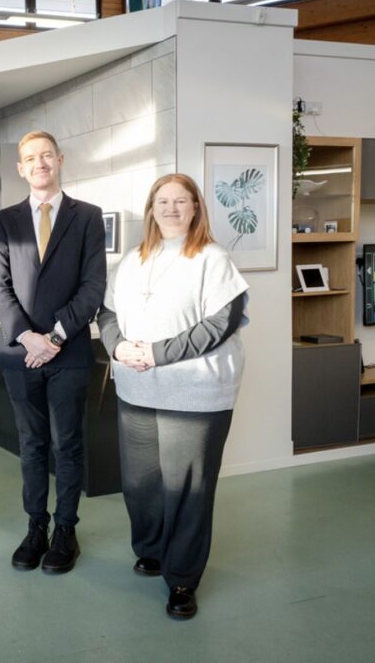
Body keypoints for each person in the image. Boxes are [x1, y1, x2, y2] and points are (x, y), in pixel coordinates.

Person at [97, 173, 248, 619]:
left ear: (196, 208)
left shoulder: (212, 258)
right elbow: (107, 312)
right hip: (137, 388)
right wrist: (117, 346)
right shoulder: (132, 260)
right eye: (162, 201)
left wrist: (158, 353)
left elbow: (221, 322)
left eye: (181, 201)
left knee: (187, 489)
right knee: (141, 483)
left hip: (195, 394)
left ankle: (182, 578)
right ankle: (151, 549)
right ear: (151, 209)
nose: (171, 209)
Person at [0, 130, 106, 574]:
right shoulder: (5, 221)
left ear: (60, 160)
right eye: (29, 158)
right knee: (32, 444)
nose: (39, 163)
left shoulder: (88, 217)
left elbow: (94, 285)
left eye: (45, 156)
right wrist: (26, 336)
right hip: (22, 356)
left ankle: (66, 531)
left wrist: (55, 336)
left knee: (68, 444)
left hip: (69, 352)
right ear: (20, 169)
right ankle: (36, 526)